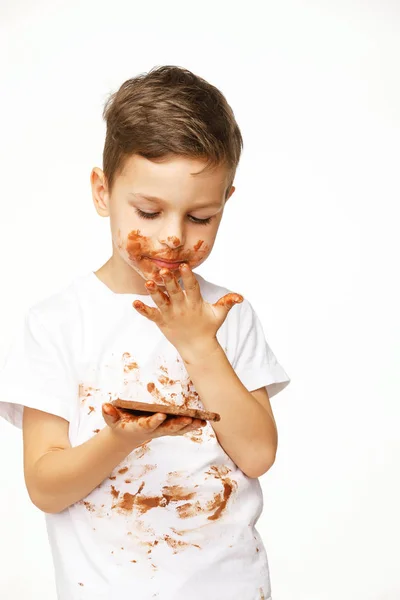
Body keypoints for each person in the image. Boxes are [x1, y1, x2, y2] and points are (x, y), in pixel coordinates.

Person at [0, 65, 290, 600]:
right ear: (102, 191)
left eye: (201, 217)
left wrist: (198, 343)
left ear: (226, 200)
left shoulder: (226, 315)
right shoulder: (57, 324)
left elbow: (256, 455)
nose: (173, 237)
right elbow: (45, 486)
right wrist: (120, 439)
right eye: (149, 212)